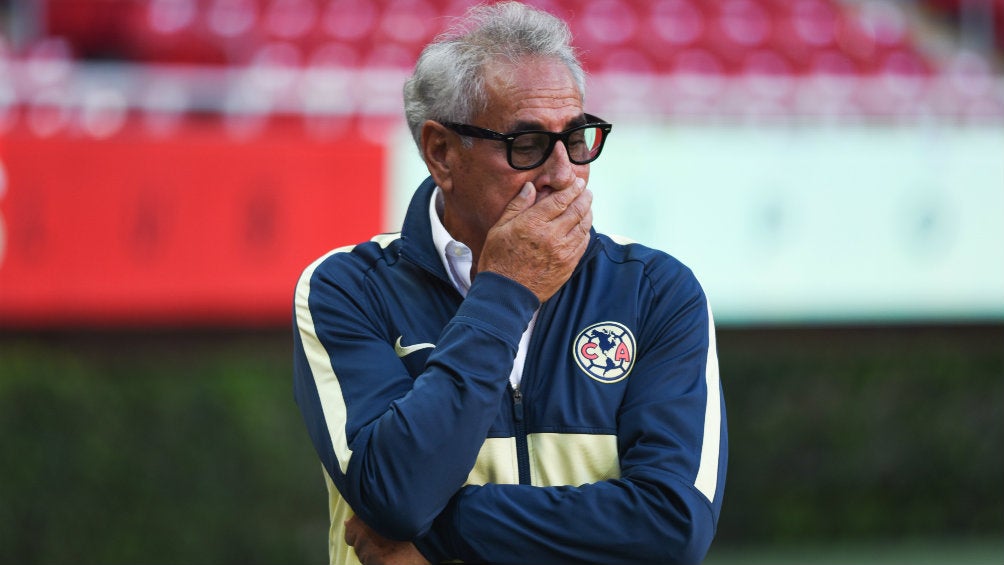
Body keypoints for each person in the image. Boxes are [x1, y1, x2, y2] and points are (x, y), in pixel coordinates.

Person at [292, 2, 727, 564]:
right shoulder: (346, 288)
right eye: (527, 145)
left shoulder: (658, 291)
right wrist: (506, 288)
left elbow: (672, 526)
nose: (562, 173)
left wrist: (441, 531)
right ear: (442, 153)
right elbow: (396, 496)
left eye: (577, 138)